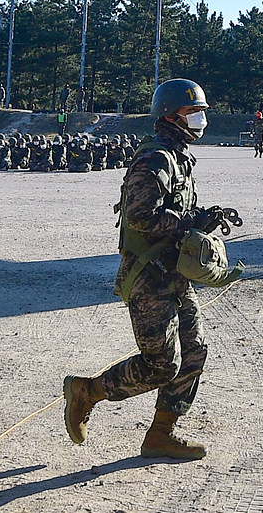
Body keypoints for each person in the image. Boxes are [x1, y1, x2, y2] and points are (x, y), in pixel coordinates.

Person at [63, 78, 224, 460]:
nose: (200, 119)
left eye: (201, 112)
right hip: (148, 278)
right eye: (192, 112)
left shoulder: (178, 155)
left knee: (194, 351)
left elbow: (169, 213)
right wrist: (188, 224)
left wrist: (197, 220)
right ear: (170, 115)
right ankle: (88, 391)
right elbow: (140, 216)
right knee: (160, 365)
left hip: (175, 274)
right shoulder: (155, 159)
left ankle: (160, 435)